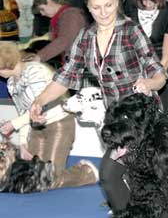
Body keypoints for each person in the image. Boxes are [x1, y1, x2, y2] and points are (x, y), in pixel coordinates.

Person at [30, 0, 167, 212]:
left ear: (117, 2)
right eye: (96, 7)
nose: (103, 12)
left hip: (143, 119)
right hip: (118, 123)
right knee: (111, 178)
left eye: (108, 5)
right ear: (87, 6)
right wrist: (40, 101)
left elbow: (159, 73)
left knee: (146, 180)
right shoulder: (85, 38)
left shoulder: (131, 31)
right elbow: (66, 77)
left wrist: (149, 83)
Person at [0, 41, 98, 188]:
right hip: (36, 128)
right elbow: (23, 111)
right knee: (35, 176)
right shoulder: (11, 84)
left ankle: (86, 172)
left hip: (59, 124)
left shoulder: (34, 70)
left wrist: (13, 124)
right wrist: (23, 142)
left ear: (5, 63)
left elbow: (41, 107)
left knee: (49, 178)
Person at [26, 0, 88, 67]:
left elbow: (63, 40)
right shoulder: (61, 17)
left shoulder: (71, 15)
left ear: (49, 1)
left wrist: (40, 56)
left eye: (42, 9)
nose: (42, 14)